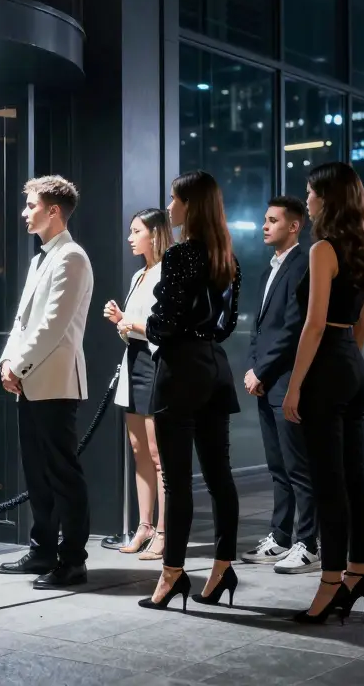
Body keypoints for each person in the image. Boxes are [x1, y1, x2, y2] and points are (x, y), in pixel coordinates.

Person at [282, 162, 364, 625]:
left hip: (327, 365)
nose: (306, 200)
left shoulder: (323, 248)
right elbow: (362, 326)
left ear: (326, 197)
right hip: (353, 366)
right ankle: (356, 574)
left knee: (329, 483)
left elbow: (313, 324)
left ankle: (329, 583)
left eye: (310, 192)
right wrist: (346, 364)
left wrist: (296, 385)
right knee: (356, 477)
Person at [138, 170, 241, 613]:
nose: (169, 207)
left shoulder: (181, 254)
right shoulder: (227, 257)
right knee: (220, 477)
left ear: (190, 205)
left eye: (174, 199)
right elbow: (228, 324)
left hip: (180, 370)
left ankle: (172, 574)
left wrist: (145, 326)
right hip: (215, 366)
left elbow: (164, 322)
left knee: (177, 480)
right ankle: (221, 569)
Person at [0, 176, 95, 589]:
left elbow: (54, 326)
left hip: (54, 382)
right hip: (30, 379)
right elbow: (22, 321)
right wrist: (7, 360)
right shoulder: (41, 258)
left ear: (54, 210)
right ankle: (43, 551)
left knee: (62, 474)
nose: (25, 212)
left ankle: (73, 560)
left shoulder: (72, 257)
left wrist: (17, 366)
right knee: (37, 474)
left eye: (31, 205)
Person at [242, 195, 316, 574]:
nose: (265, 226)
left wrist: (262, 371)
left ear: (294, 226)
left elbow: (293, 329)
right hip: (267, 380)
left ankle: (309, 543)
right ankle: (281, 537)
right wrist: (254, 369)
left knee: (298, 467)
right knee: (277, 467)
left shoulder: (303, 266)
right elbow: (259, 329)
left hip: (286, 381)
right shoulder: (269, 270)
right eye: (265, 219)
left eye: (273, 220)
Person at [104, 208, 171, 561]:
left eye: (136, 231)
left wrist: (128, 322)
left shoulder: (166, 272)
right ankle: (144, 525)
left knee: (159, 454)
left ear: (155, 234)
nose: (130, 238)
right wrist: (122, 322)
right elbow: (133, 328)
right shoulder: (138, 275)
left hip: (154, 363)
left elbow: (162, 329)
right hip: (134, 361)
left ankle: (164, 530)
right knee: (137, 448)